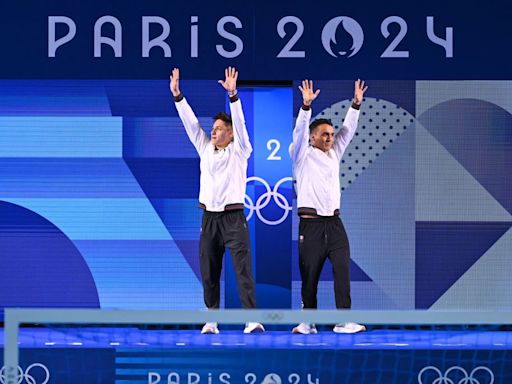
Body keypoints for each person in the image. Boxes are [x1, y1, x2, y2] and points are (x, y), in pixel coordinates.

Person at [169, 67, 264, 334]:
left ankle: (251, 319)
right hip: (209, 218)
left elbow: (241, 126)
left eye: (220, 129)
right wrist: (178, 96)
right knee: (209, 271)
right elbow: (190, 124)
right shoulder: (204, 148)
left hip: (234, 219)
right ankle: (211, 319)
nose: (214, 132)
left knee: (242, 271)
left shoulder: (240, 150)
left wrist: (233, 95)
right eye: (213, 128)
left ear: (231, 134)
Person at [290, 79, 368, 334]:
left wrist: (356, 104)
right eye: (324, 134)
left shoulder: (334, 152)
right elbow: (299, 131)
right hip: (310, 225)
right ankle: (307, 320)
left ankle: (344, 319)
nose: (330, 138)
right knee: (309, 274)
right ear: (312, 137)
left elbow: (348, 129)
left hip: (334, 224)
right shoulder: (301, 153)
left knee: (342, 267)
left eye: (331, 135)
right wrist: (306, 106)